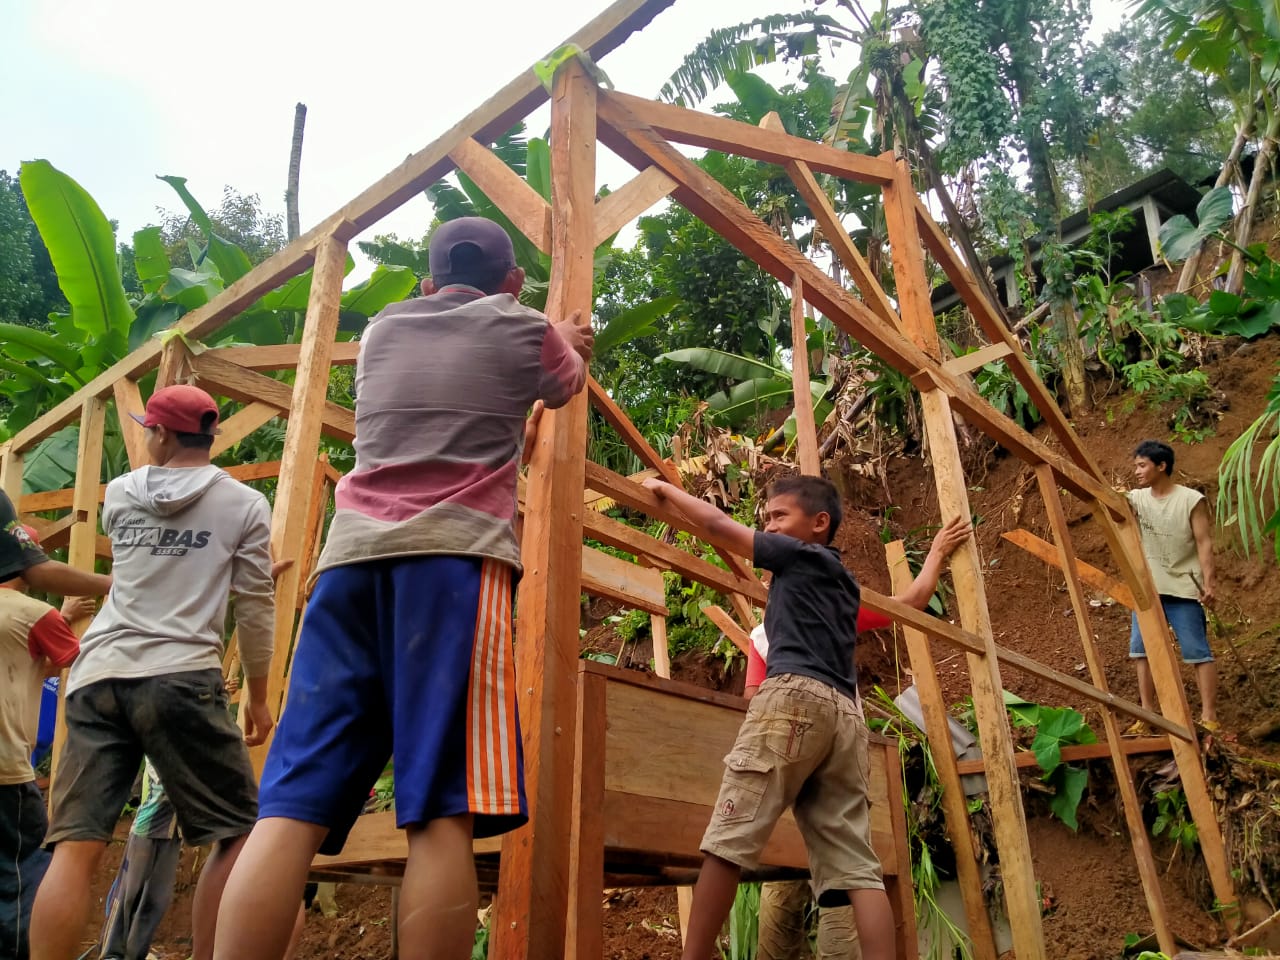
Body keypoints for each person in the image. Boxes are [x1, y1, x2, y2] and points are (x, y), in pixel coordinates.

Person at [214, 216, 592, 960]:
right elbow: (564, 382)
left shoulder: (385, 328)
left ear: (425, 282)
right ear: (513, 282)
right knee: (443, 807)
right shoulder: (523, 327)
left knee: (289, 808)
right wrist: (570, 338)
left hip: (348, 563)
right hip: (451, 564)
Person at [31, 384, 278, 960]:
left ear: (163, 433)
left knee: (75, 846)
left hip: (98, 674)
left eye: (148, 429)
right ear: (208, 436)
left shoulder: (120, 493)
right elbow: (256, 606)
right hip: (179, 676)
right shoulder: (243, 505)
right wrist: (259, 697)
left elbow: (151, 569)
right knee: (235, 834)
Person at [644, 473, 899, 960]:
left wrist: (667, 492)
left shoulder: (798, 556)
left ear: (819, 523)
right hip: (846, 716)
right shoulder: (844, 584)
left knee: (728, 838)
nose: (770, 526)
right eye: (767, 519)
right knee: (857, 867)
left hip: (793, 699)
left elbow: (719, 526)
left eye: (779, 516)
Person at [747, 516, 971, 960]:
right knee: (836, 886)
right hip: (835, 756)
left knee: (792, 894)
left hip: (787, 761)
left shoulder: (768, 632)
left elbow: (753, 697)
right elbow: (910, 602)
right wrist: (936, 553)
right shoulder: (825, 611)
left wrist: (938, 553)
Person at [0, 524, 95, 960]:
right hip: (6, 773)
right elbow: (82, 662)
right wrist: (69, 616)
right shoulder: (36, 614)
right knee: (20, 879)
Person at [1124, 439, 1218, 733]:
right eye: (1136, 465)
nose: (1137, 471)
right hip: (1147, 589)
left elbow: (1204, 543)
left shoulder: (1190, 500)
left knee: (1197, 652)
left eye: (1142, 465)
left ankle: (1210, 717)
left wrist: (1209, 584)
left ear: (1161, 466)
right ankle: (1147, 715)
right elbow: (1109, 501)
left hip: (1183, 588)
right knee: (1141, 651)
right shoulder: (1136, 498)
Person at [98, 760, 182, 960]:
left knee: (156, 899)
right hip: (150, 822)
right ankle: (112, 953)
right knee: (129, 894)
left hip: (174, 825)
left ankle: (135, 953)